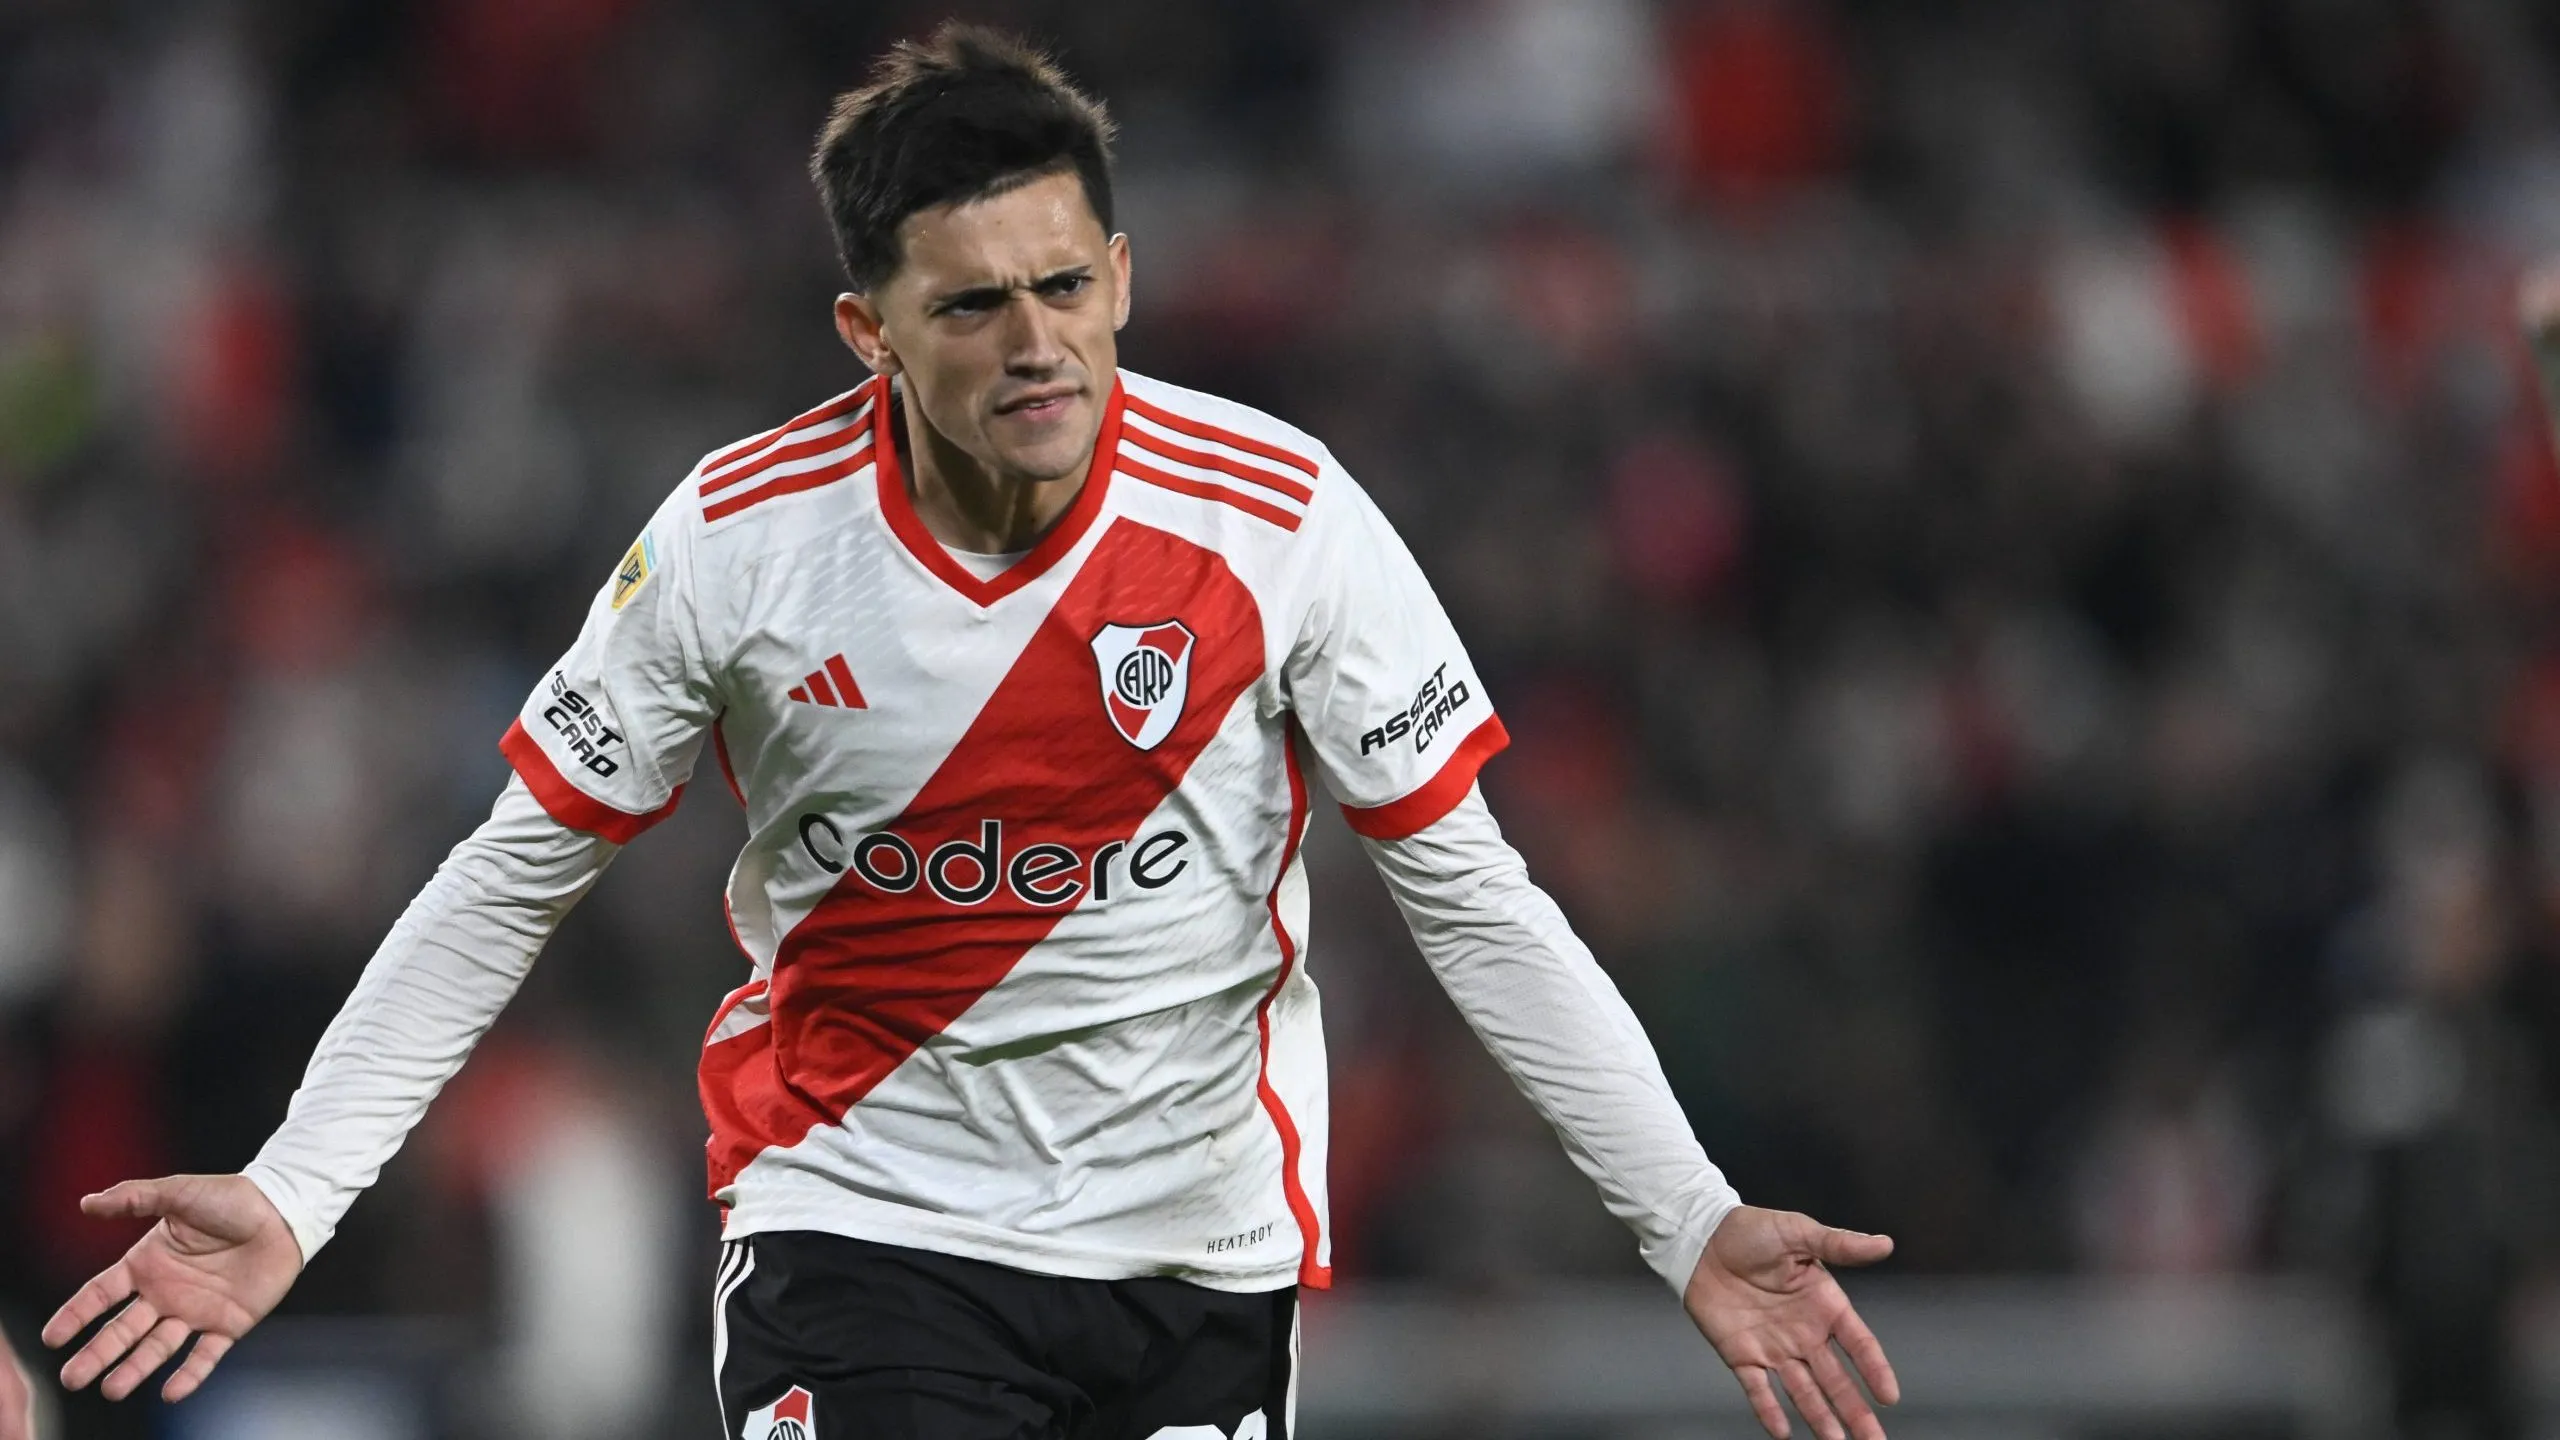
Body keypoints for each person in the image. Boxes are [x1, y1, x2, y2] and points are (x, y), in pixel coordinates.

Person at [43, 25, 1900, 1440]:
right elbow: (512, 876)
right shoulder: (741, 545)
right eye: (974, 304)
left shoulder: (1279, 519)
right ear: (869, 330)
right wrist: (297, 1189)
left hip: (1194, 1260)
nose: (1036, 344)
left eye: (1067, 286)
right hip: (865, 1234)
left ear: (1124, 277)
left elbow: (1473, 897)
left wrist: (1686, 1218)